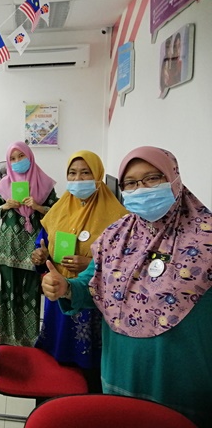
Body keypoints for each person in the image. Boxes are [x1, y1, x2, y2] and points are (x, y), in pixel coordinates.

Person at [41, 146, 212, 426]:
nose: (140, 189)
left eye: (152, 178)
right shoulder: (115, 236)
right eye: (130, 183)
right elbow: (91, 283)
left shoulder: (206, 238)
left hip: (181, 381)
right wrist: (67, 288)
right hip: (121, 371)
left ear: (174, 179)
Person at [31, 151, 127, 391]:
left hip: (90, 300)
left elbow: (122, 262)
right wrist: (40, 255)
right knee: (57, 356)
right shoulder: (60, 208)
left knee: (87, 364)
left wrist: (89, 265)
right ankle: (56, 393)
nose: (78, 179)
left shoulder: (117, 217)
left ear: (98, 175)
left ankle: (85, 400)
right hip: (58, 293)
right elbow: (43, 242)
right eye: (72, 173)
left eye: (85, 173)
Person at [0, 141, 57, 346]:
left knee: (30, 292)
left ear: (30, 156)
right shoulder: (4, 185)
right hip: (8, 247)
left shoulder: (44, 184)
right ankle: (6, 336)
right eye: (12, 158)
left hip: (33, 248)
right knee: (9, 291)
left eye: (21, 156)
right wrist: (6, 205)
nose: (17, 161)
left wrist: (37, 206)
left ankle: (29, 337)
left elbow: (56, 214)